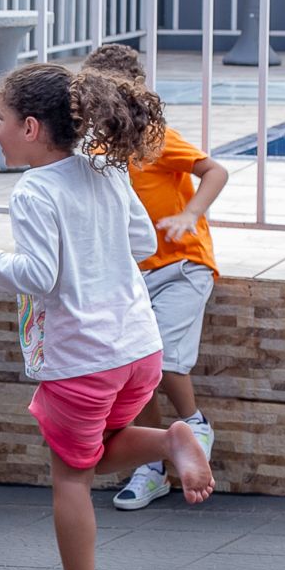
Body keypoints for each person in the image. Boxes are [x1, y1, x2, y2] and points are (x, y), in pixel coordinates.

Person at [0, 63, 214, 570]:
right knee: (97, 451)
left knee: (71, 478)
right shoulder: (104, 167)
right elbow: (142, 241)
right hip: (139, 350)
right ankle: (169, 438)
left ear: (31, 128)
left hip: (84, 360)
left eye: (0, 119)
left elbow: (37, 275)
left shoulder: (35, 190)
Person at [80, 45, 227, 512]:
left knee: (162, 360)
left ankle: (194, 423)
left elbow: (215, 171)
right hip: (133, 275)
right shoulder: (96, 149)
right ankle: (152, 466)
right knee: (138, 368)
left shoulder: (154, 141)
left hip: (183, 266)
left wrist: (190, 214)